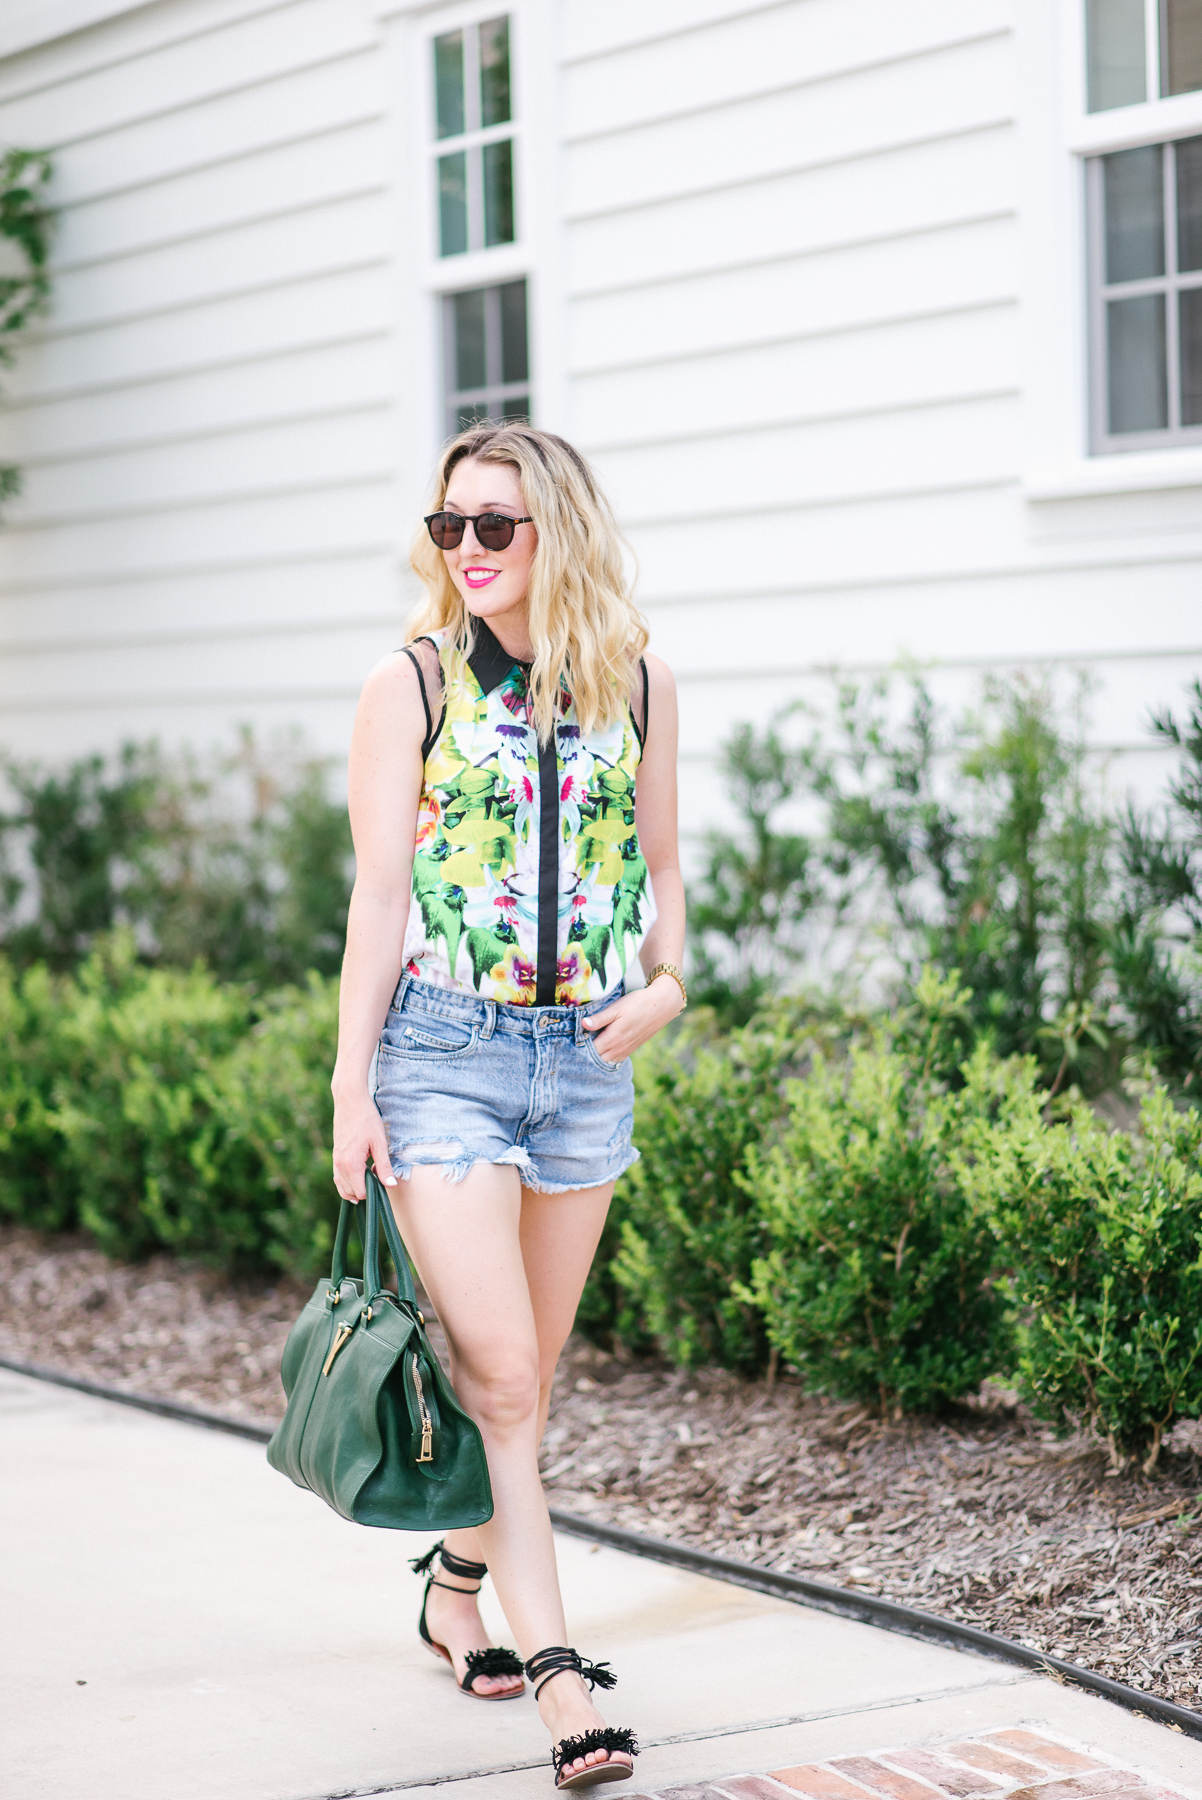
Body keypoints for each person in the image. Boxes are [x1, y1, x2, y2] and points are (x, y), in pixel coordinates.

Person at [330, 423, 686, 1791]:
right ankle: (558, 1678)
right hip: (442, 1057)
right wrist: (349, 1085)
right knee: (503, 1381)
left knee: (523, 1382)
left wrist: (666, 989)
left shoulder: (637, 678)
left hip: (585, 1064)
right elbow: (376, 900)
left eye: (498, 527)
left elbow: (665, 883)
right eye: (449, 527)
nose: (467, 551)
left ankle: (451, 1588)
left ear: (561, 536)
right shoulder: (409, 684)